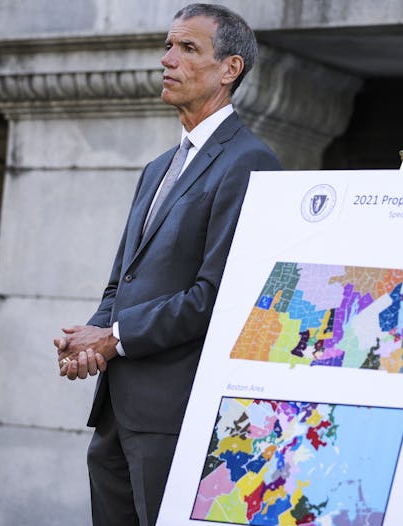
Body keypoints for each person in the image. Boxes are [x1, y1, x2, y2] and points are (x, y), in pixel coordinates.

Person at [53, 4, 281, 524]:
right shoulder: (158, 167)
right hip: (115, 409)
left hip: (177, 414)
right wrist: (87, 340)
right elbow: (122, 282)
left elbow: (215, 295)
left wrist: (113, 338)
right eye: (168, 46)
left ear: (230, 69)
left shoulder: (250, 161)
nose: (167, 59)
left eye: (187, 48)